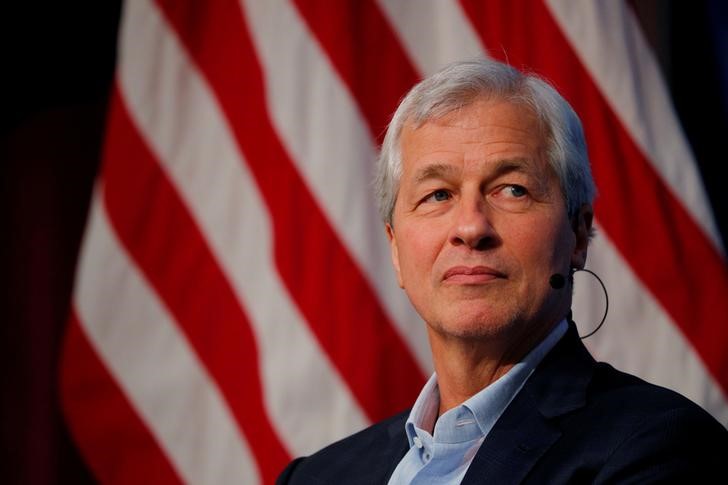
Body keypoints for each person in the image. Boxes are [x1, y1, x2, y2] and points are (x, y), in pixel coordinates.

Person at [276, 59, 728, 484]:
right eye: (437, 195)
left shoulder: (661, 447)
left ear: (577, 232)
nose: (471, 227)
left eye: (512, 190)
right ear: (395, 248)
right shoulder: (317, 476)